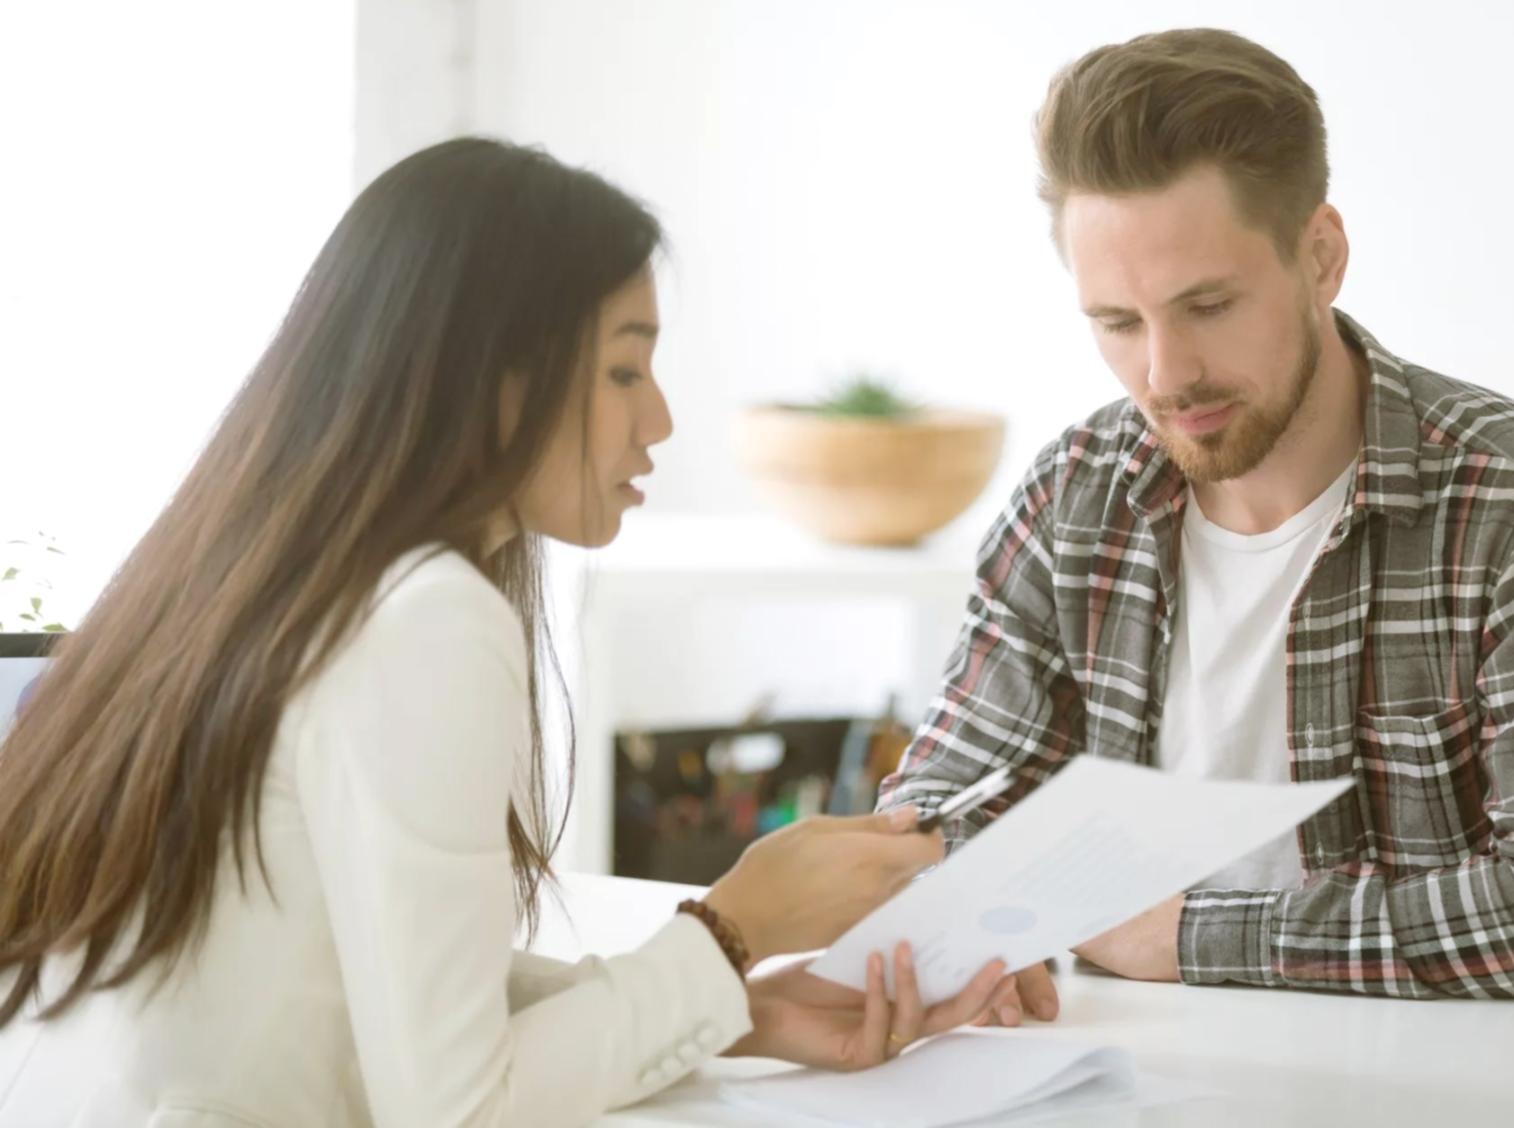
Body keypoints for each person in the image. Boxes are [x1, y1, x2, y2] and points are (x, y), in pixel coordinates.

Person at [0, 138, 1006, 1126]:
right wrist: (737, 922)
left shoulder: (261, 573)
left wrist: (732, 1006)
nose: (657, 420)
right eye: (623, 372)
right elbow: (459, 1106)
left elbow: (378, 986)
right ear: (496, 380)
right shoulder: (425, 617)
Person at [879, 27, 1514, 1018]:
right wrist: (986, 923)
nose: (1164, 375)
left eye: (1208, 305)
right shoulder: (1072, 498)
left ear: (1322, 256)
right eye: (1117, 323)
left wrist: (1183, 936)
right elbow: (927, 825)